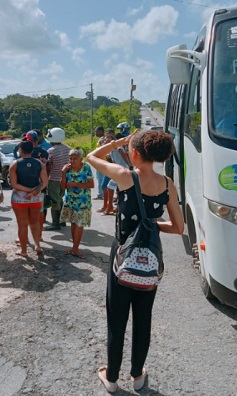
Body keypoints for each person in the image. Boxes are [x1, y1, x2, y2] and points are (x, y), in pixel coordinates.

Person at [87, 129, 184, 393]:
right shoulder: (167, 184)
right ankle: (138, 375)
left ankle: (112, 377)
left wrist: (118, 141)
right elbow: (178, 227)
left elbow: (92, 156)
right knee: (143, 317)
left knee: (116, 319)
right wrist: (150, 224)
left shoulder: (125, 176)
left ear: (135, 153)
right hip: (150, 257)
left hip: (122, 255)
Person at [8, 140, 48, 257]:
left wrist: (27, 190)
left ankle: (24, 250)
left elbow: (14, 184)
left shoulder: (15, 164)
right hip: (35, 198)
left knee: (22, 224)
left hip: (19, 198)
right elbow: (44, 182)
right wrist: (34, 191)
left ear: (20, 150)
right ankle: (37, 245)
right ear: (32, 150)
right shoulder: (40, 164)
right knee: (35, 222)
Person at [60, 148, 94, 259]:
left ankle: (75, 248)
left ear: (80, 159)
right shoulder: (67, 169)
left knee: (80, 224)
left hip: (83, 202)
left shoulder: (86, 167)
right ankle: (75, 247)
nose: (72, 161)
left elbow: (91, 184)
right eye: (70, 158)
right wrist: (63, 173)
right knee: (73, 223)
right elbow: (63, 186)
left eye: (75, 159)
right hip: (70, 200)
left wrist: (76, 184)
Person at [44, 127, 71, 231]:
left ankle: (56, 223)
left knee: (55, 200)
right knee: (60, 198)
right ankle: (62, 220)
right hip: (64, 179)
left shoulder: (51, 151)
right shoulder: (68, 149)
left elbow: (49, 166)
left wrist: (45, 179)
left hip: (54, 179)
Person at [98, 129, 117, 215]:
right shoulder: (109, 147)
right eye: (105, 137)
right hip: (109, 168)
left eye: (108, 137)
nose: (105, 139)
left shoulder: (114, 147)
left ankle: (108, 206)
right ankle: (107, 206)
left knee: (106, 187)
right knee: (107, 187)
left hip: (112, 169)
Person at [92, 126, 105, 200]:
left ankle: (100, 194)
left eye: (96, 131)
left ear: (101, 131)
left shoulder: (102, 140)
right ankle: (101, 193)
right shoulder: (101, 139)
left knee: (100, 179)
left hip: (101, 161)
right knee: (100, 178)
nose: (95, 133)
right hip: (100, 161)